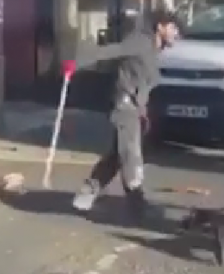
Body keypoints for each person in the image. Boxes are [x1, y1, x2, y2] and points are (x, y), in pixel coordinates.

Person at [70, 9, 179, 218]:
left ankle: (85, 194)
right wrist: (75, 63)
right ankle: (138, 206)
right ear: (160, 27)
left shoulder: (154, 49)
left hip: (133, 109)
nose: (177, 34)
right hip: (123, 107)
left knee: (116, 156)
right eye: (173, 28)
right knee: (130, 155)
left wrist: (143, 108)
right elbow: (110, 51)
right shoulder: (140, 42)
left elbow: (142, 82)